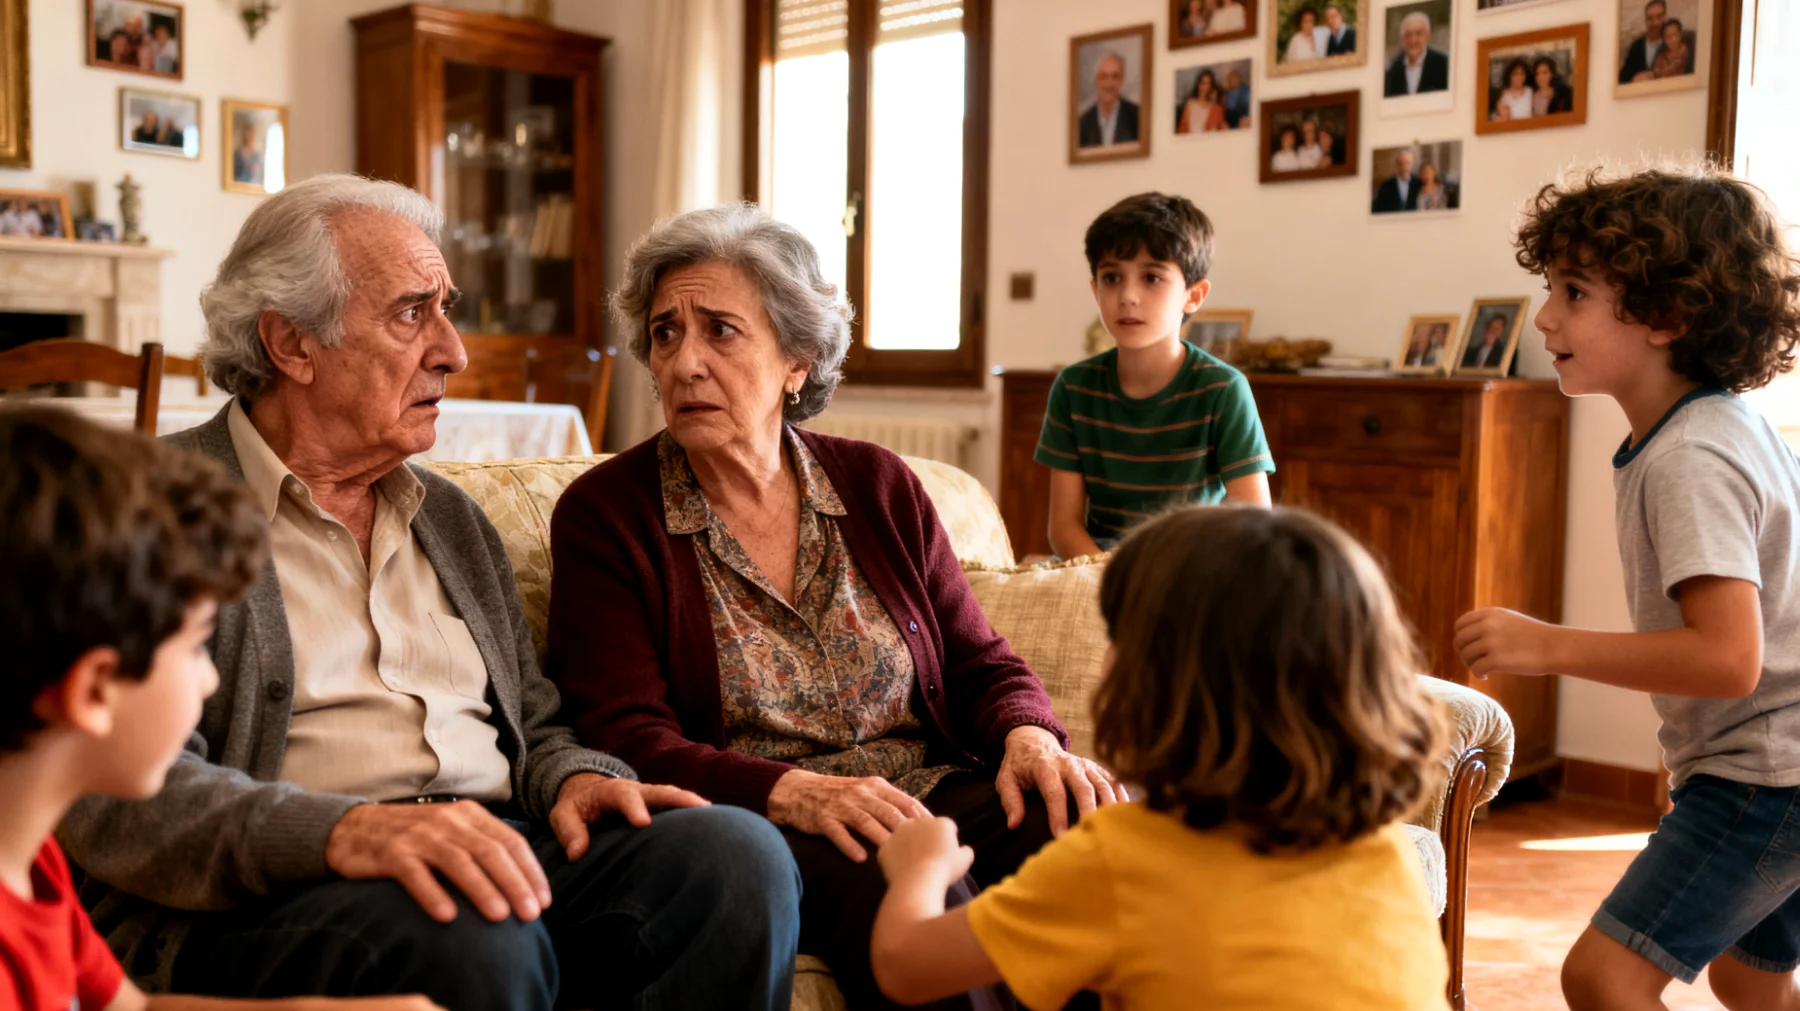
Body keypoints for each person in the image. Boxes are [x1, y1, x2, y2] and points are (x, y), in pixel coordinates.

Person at [58, 174, 802, 1010]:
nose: (454, 350)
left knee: (735, 858)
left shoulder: (448, 518)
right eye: (413, 313)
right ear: (291, 343)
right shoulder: (148, 507)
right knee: (471, 926)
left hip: (491, 844)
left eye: (446, 309)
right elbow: (107, 787)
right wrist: (345, 829)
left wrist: (573, 778)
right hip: (278, 891)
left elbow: (537, 724)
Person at [547, 204, 1116, 1011]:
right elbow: (626, 735)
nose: (684, 362)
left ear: (798, 361)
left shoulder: (879, 485)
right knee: (913, 889)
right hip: (766, 819)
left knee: (1093, 842)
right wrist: (794, 791)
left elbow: (979, 661)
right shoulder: (607, 515)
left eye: (720, 331)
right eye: (665, 334)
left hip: (924, 784)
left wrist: (1029, 735)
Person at [868, 506, 1452, 1010]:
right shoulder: (1388, 854)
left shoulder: (1121, 861)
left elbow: (906, 964)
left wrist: (923, 867)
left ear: (1156, 685)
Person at [1454, 166, 1800, 1011]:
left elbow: (1727, 659)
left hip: (1767, 777)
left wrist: (1547, 644)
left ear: (1667, 316)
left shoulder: (1690, 455)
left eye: (1574, 292)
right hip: (1782, 766)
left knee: (1604, 978)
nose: (1546, 315)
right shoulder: (1720, 425)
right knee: (1752, 979)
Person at [0, 407, 445, 1011]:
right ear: (95, 690)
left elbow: (131, 1008)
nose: (211, 678)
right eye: (194, 647)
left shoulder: (32, 862)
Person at [1035, 192, 1274, 560]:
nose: (1128, 296)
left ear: (1194, 296)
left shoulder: (1224, 390)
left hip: (1189, 567)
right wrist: (1114, 576)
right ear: (1095, 289)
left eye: (1152, 277)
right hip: (1095, 567)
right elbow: (1064, 528)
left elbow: (1253, 524)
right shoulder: (1073, 388)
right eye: (1111, 277)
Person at [1077, 52, 1139, 148]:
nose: (1109, 83)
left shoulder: (1138, 116)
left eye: (1115, 76)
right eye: (1103, 77)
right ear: (1096, 82)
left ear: (1121, 81)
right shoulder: (1082, 123)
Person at [1619, 0, 1690, 82]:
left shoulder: (1681, 43)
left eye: (1659, 17)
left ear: (1665, 17)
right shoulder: (1636, 47)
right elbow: (1622, 79)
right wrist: (1635, 79)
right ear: (1645, 21)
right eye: (1650, 18)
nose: (1655, 22)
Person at [1384, 11, 1450, 96]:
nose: (1413, 40)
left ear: (1428, 35)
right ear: (1402, 39)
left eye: (1419, 34)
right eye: (1408, 35)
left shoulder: (1444, 64)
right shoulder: (1391, 69)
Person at [1177, 69, 1226, 134]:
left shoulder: (1216, 108)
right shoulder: (1190, 103)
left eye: (1208, 84)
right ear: (1198, 84)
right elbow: (1182, 129)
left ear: (1211, 87)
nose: (1204, 87)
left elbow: (1221, 128)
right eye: (1202, 83)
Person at [1373, 148, 1421, 214]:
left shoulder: (1419, 184)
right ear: (1396, 165)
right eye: (1401, 164)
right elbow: (1378, 211)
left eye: (1407, 163)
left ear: (1412, 164)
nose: (1404, 167)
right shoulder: (1385, 186)